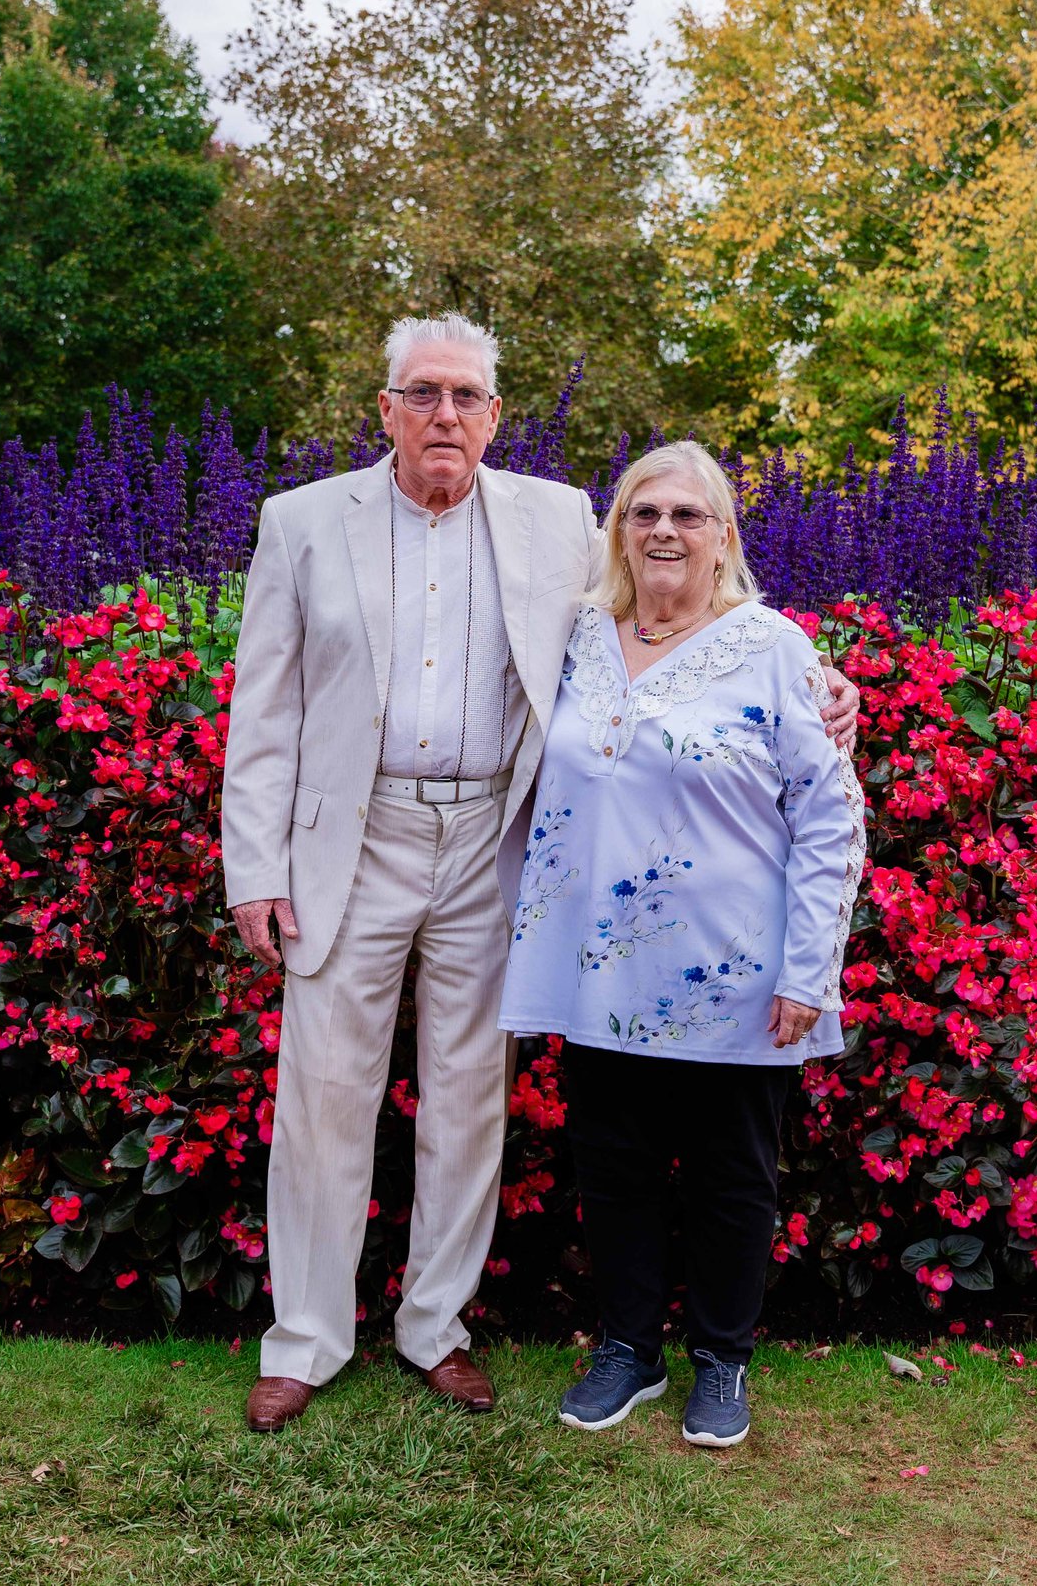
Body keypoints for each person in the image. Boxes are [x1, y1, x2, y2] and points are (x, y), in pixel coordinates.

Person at [220, 317, 858, 1433]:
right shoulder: (303, 523)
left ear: (496, 414)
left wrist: (825, 682)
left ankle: (435, 1329)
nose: (445, 416)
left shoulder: (558, 519)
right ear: (384, 408)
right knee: (323, 1091)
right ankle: (307, 1338)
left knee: (468, 1096)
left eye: (466, 396)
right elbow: (261, 711)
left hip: (489, 841)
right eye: (421, 394)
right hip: (351, 841)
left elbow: (685, 609)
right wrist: (253, 868)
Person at [497, 441, 867, 1451]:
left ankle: (720, 1353)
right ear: (618, 529)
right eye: (644, 511)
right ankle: (626, 1344)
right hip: (598, 966)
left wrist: (806, 966)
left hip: (732, 968)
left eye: (687, 514)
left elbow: (829, 815)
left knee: (728, 1172)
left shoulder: (775, 646)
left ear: (723, 536)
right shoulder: (574, 637)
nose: (664, 529)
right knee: (610, 1160)